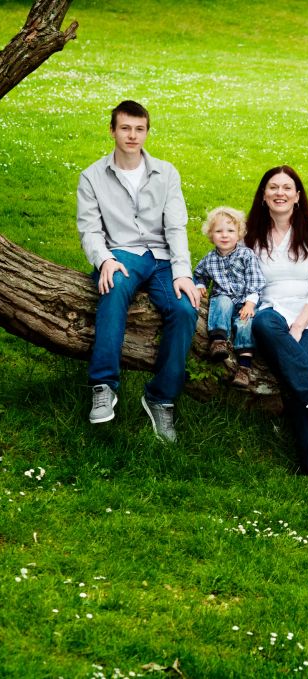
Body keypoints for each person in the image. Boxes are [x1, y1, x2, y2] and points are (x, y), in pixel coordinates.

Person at [77, 100, 201, 443]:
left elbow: (176, 227)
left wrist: (182, 272)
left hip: (161, 257)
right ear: (112, 131)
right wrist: (104, 260)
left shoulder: (166, 173)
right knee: (113, 286)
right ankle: (103, 385)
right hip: (122, 254)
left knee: (185, 308)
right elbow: (90, 230)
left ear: (146, 132)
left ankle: (161, 398)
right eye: (125, 128)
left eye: (139, 129)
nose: (132, 135)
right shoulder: (92, 176)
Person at [246, 166, 308, 483]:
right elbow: (244, 281)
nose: (280, 193)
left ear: (298, 196)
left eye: (287, 188)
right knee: (263, 322)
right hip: (273, 313)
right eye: (273, 187)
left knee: (294, 375)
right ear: (263, 195)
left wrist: (299, 325)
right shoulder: (251, 235)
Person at [193, 206, 265, 387]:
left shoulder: (246, 255)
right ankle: (218, 342)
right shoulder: (209, 259)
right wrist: (200, 285)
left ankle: (244, 367)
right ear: (211, 235)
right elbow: (199, 275)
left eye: (231, 231)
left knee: (245, 324)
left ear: (239, 234)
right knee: (222, 301)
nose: (225, 235)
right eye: (219, 231)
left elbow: (255, 280)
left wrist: (250, 304)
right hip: (223, 299)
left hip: (244, 302)